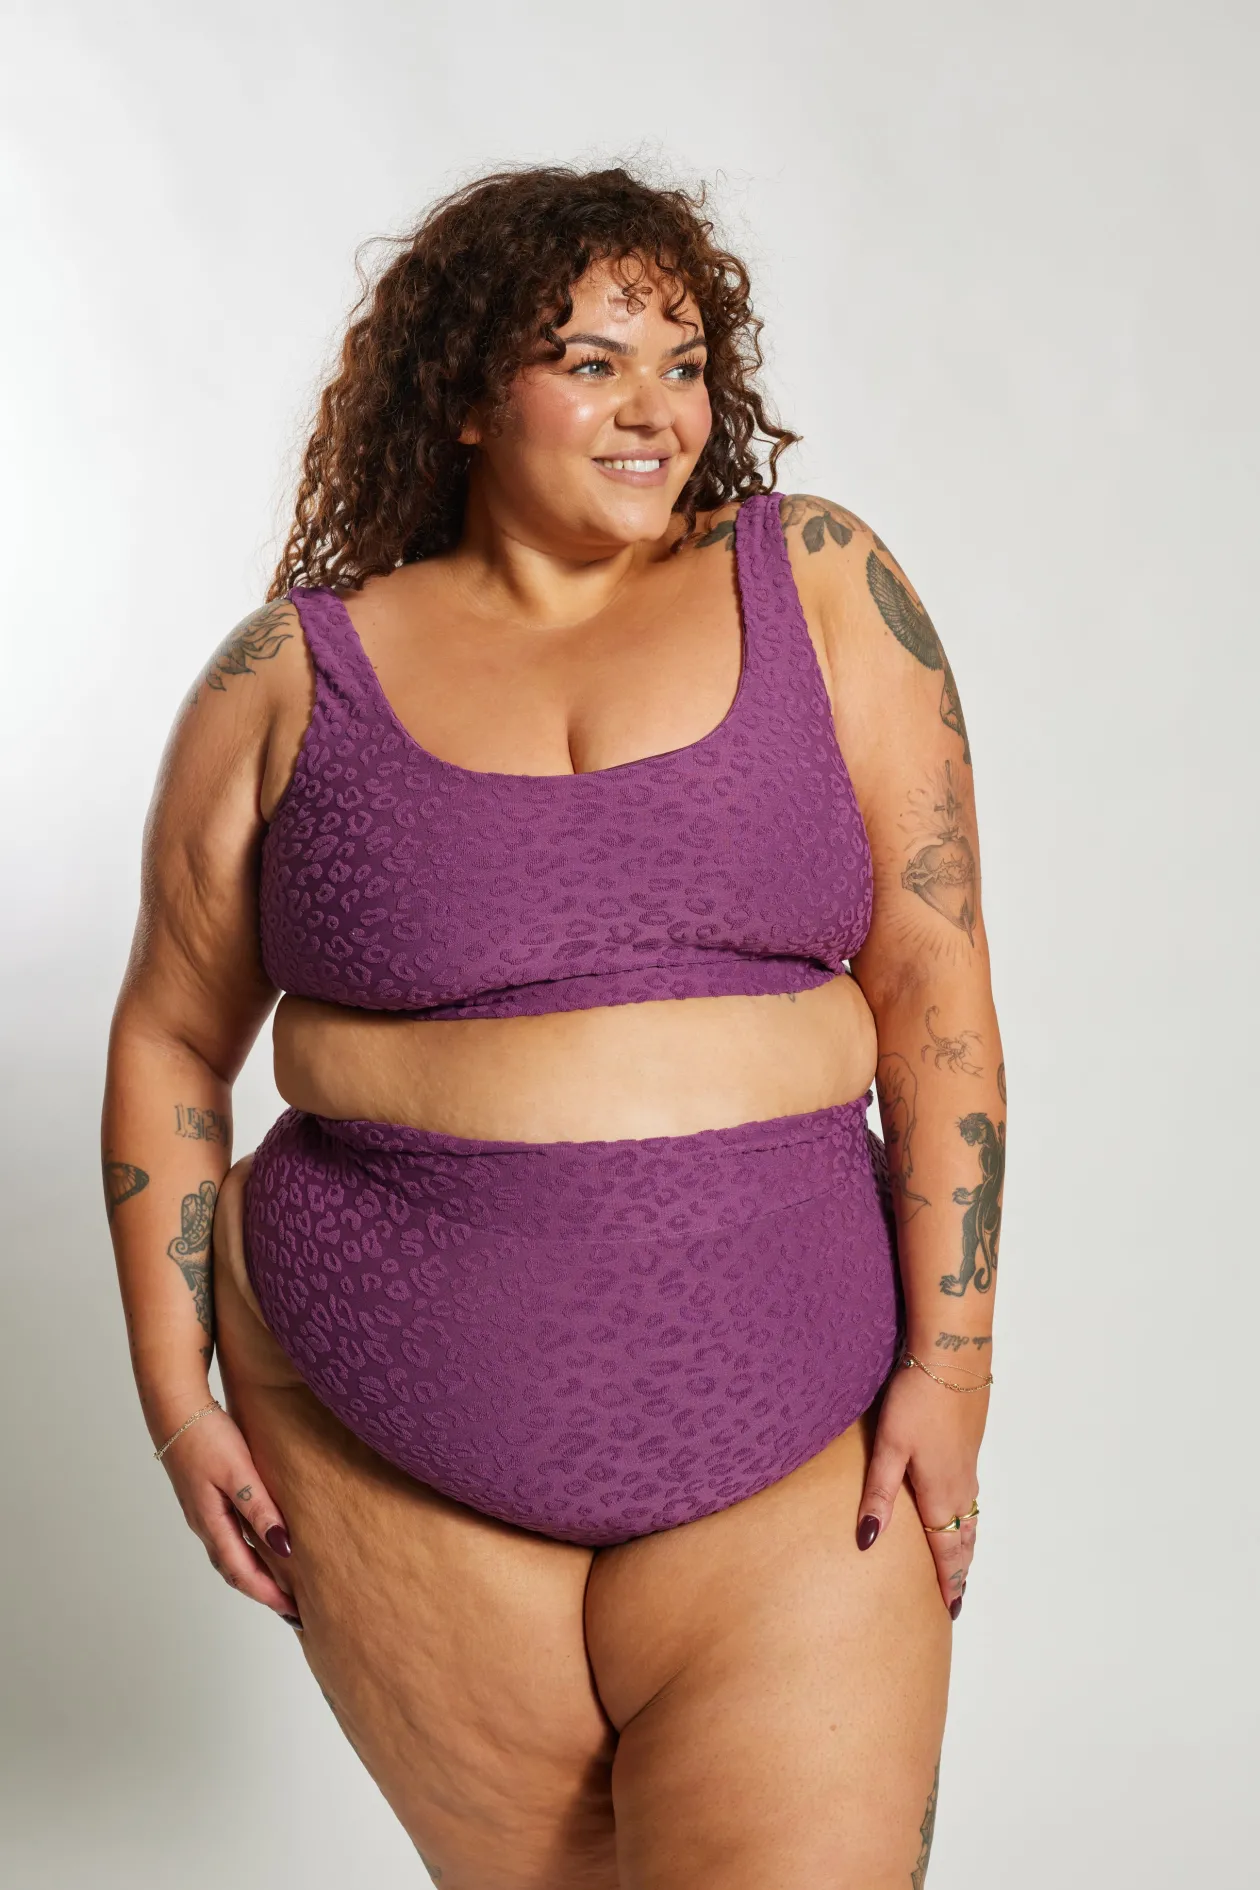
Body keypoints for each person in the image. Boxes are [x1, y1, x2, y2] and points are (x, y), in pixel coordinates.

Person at [103, 163, 1005, 1888]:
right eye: (592, 363)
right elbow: (168, 1043)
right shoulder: (284, 679)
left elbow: (937, 987)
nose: (656, 408)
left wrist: (953, 1367)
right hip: (386, 1460)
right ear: (464, 395)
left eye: (685, 362)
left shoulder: (816, 583)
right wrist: (173, 1393)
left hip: (798, 1444)